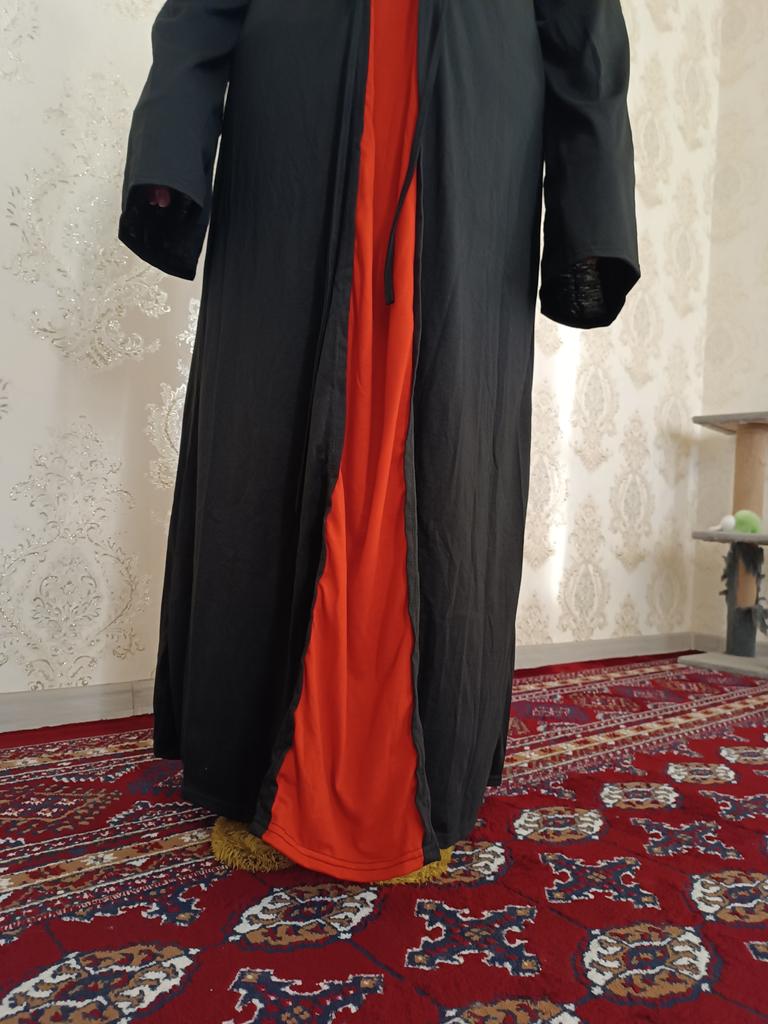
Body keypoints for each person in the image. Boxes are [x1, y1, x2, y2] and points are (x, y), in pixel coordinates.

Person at [118, 0, 640, 883]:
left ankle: (411, 781)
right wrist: (172, 145)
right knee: (271, 424)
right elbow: (201, 12)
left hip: (475, 136)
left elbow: (585, 35)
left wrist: (593, 213)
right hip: (293, 121)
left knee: (444, 440)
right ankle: (262, 774)